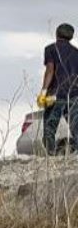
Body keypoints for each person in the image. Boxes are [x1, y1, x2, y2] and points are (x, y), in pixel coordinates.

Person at [41, 23, 78, 154]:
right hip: (74, 95)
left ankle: (50, 156)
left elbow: (50, 71)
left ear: (57, 34)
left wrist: (43, 92)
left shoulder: (51, 49)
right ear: (71, 37)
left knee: (49, 127)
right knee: (76, 127)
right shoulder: (76, 52)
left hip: (55, 95)